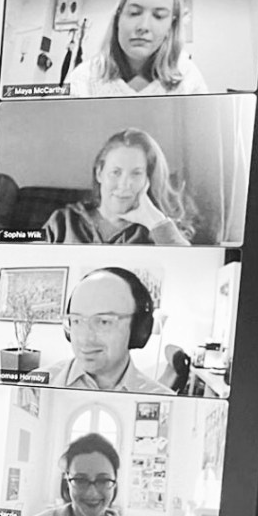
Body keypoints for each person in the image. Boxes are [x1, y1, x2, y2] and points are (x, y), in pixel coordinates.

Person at [67, 0, 208, 97]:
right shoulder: (84, 78)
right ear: (118, 18)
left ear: (171, 26)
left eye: (158, 16)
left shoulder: (188, 78)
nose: (143, 26)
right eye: (134, 13)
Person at [43, 128, 193, 245]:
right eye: (115, 172)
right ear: (99, 173)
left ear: (148, 179)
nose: (124, 185)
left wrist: (154, 220)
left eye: (136, 173)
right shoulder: (63, 221)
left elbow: (189, 268)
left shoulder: (156, 231)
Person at [47, 267, 173, 394]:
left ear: (138, 328)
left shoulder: (164, 399)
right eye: (76, 321)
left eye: (104, 322)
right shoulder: (36, 390)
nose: (85, 339)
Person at [26, 434, 145, 516]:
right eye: (80, 480)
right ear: (67, 482)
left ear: (115, 482)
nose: (91, 493)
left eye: (103, 480)